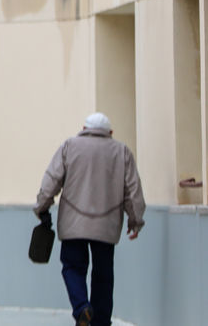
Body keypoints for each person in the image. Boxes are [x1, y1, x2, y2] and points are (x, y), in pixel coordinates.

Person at [33, 112, 145, 326]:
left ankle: (82, 307)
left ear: (83, 129)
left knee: (72, 267)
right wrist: (135, 220)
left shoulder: (70, 146)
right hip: (106, 226)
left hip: (74, 224)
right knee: (103, 274)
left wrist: (42, 207)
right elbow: (133, 189)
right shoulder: (121, 151)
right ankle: (101, 321)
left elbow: (51, 180)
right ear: (110, 133)